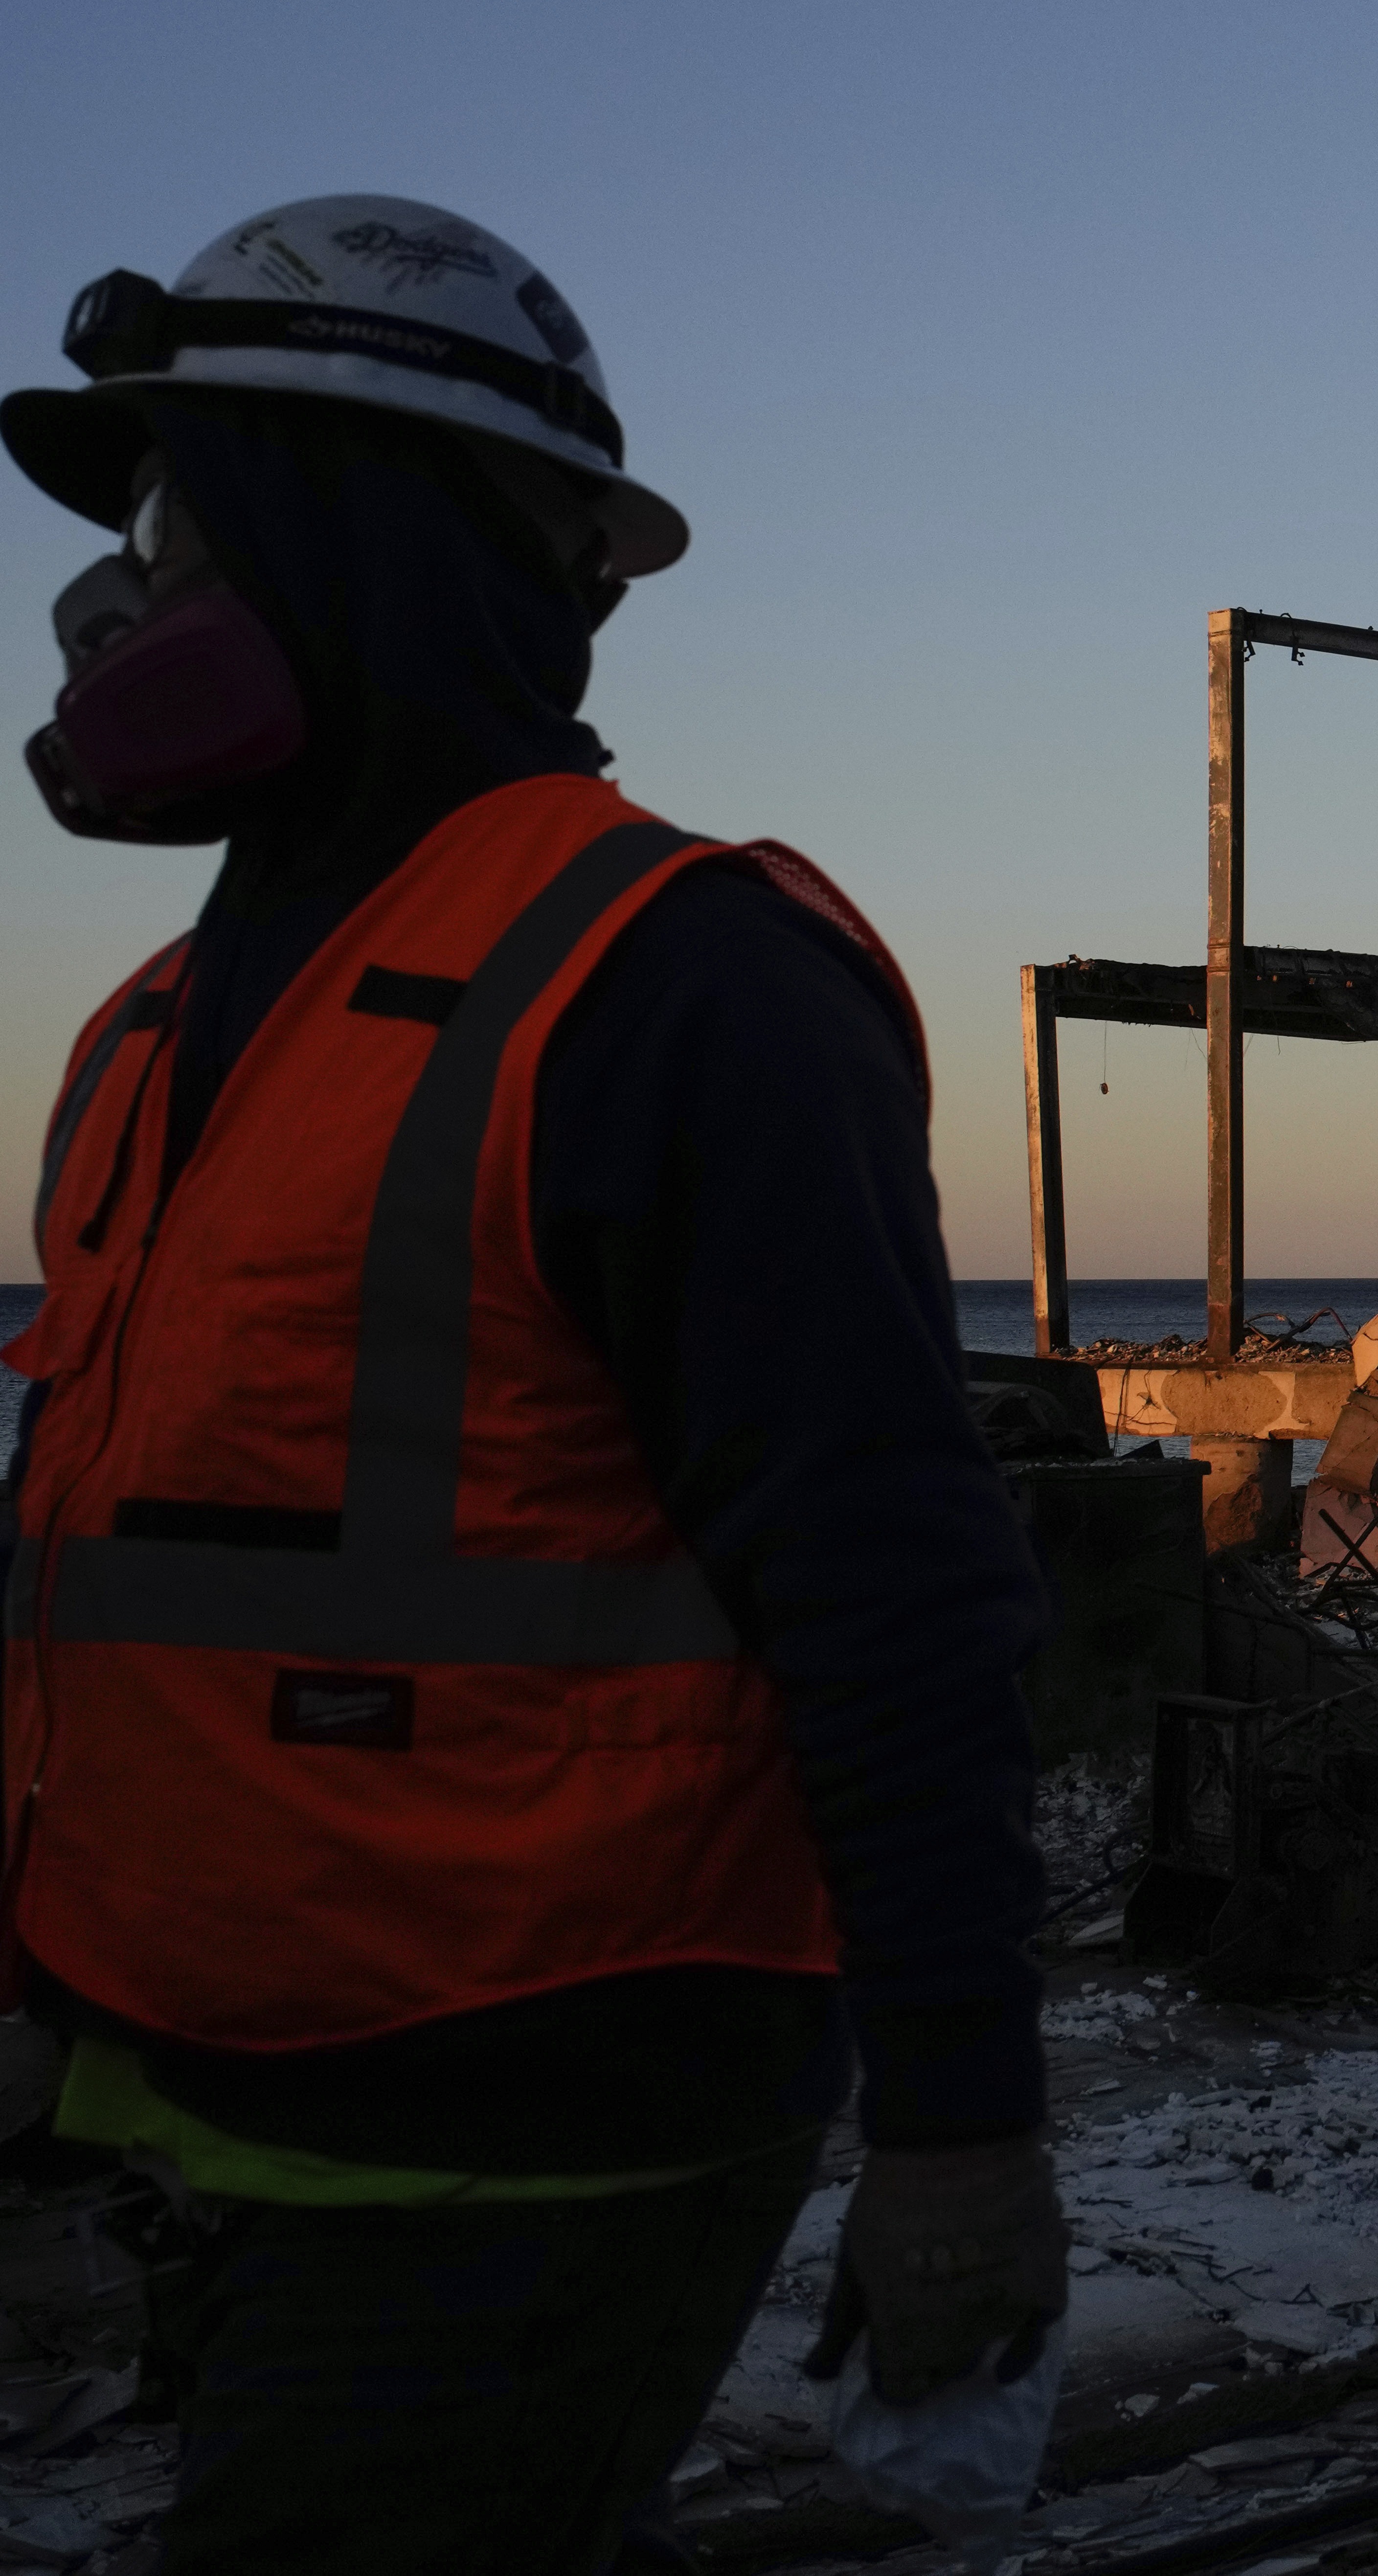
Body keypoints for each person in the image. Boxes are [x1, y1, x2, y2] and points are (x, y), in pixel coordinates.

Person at [0, 196, 1066, 2572]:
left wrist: (962, 2135)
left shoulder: (677, 984)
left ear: (365, 540)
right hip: (198, 2065)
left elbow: (896, 1590)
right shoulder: (153, 1035)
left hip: (538, 2100)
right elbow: (101, 1531)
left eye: (179, 524)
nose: (119, 607)